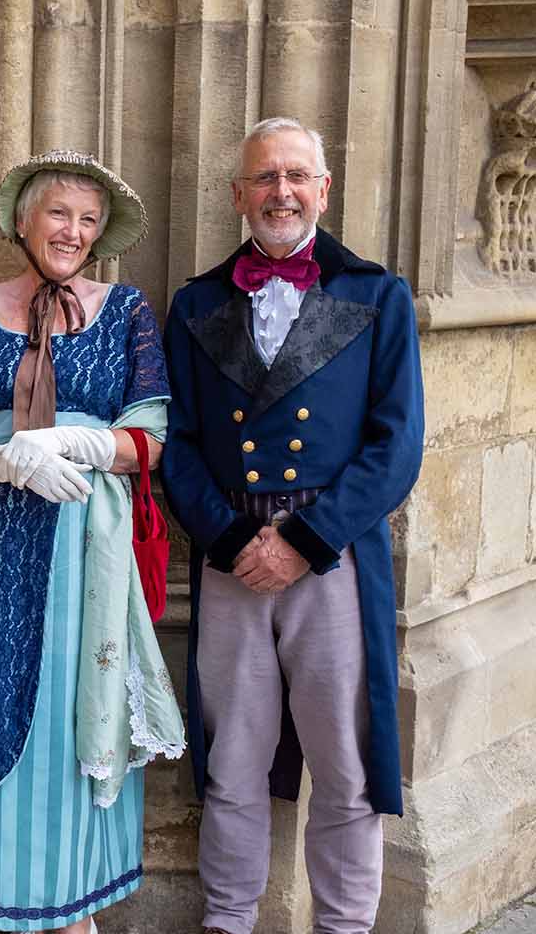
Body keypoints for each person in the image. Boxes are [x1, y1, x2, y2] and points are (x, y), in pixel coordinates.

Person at [0, 151, 184, 933]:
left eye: (89, 220)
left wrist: (89, 446)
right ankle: (1, 893)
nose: (73, 231)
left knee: (72, 707)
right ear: (23, 222)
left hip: (84, 549)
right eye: (58, 213)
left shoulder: (126, 309)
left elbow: (154, 435)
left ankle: (71, 909)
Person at [161, 117, 424, 934]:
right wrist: (236, 541)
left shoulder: (377, 296)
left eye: (297, 176)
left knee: (344, 766)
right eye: (265, 178)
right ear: (239, 195)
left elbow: (397, 444)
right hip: (231, 558)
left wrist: (305, 543)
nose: (281, 192)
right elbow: (175, 442)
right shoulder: (196, 303)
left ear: (323, 189)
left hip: (331, 561)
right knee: (232, 763)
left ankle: (343, 926)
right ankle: (228, 921)